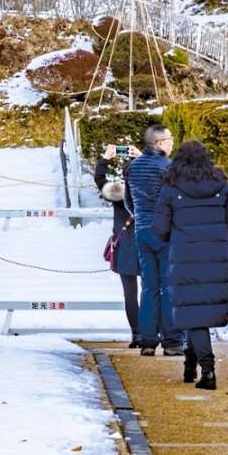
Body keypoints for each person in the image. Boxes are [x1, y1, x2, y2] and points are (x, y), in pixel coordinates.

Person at [149, 141, 228, 391]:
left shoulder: (170, 188)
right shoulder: (222, 186)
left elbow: (160, 229)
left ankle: (208, 369)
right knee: (197, 313)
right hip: (216, 255)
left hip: (184, 256)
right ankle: (190, 366)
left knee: (193, 313)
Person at [127, 124, 182, 356]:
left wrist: (140, 217)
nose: (172, 143)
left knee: (148, 287)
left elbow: (129, 202)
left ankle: (148, 340)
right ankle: (172, 341)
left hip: (142, 230)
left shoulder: (133, 167)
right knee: (168, 286)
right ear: (159, 143)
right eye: (169, 139)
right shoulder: (168, 167)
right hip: (165, 231)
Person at [96, 143, 141, 347]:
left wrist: (105, 159)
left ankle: (137, 334)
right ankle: (155, 332)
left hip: (125, 248)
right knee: (154, 291)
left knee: (130, 294)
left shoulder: (118, 193)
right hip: (149, 245)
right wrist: (140, 158)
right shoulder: (150, 190)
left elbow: (99, 180)